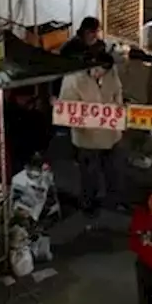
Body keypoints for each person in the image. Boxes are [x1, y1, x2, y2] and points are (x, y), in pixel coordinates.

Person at [59, 52, 124, 217]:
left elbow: (118, 93)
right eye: (97, 70)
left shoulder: (112, 74)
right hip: (87, 138)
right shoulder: (73, 78)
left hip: (111, 135)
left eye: (103, 71)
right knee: (89, 174)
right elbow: (67, 107)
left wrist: (117, 111)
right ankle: (88, 204)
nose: (99, 74)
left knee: (113, 170)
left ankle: (113, 201)